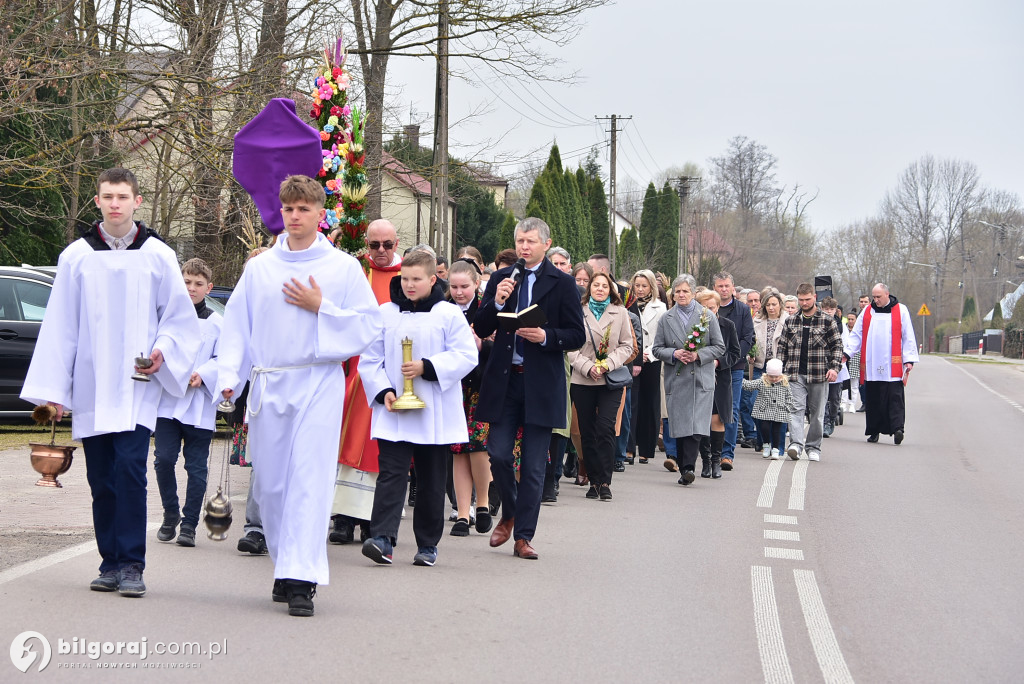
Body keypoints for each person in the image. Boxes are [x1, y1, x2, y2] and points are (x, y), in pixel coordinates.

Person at [20, 167, 200, 598]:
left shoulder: (158, 254)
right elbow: (61, 326)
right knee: (101, 477)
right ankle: (109, 561)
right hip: (92, 385)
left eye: (122, 196)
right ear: (97, 202)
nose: (115, 203)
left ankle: (133, 564)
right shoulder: (76, 256)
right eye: (107, 196)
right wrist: (54, 392)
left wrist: (163, 351)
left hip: (137, 385)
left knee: (130, 470)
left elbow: (177, 319)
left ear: (137, 201)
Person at [218, 175, 382, 617]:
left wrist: (321, 307)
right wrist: (229, 378)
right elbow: (238, 326)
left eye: (304, 209)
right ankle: (284, 563)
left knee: (308, 482)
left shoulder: (343, 268)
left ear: (319, 214)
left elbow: (369, 327)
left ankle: (302, 580)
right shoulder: (260, 268)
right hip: (271, 383)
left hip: (317, 383)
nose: (295, 217)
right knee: (271, 486)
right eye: (288, 209)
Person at [473, 217, 585, 560]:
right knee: (500, 454)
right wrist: (498, 301)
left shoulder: (563, 283)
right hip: (505, 379)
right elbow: (481, 324)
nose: (524, 247)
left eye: (531, 241)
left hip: (541, 382)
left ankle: (523, 536)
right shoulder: (502, 278)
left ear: (546, 244)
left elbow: (576, 334)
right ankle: (510, 511)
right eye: (520, 240)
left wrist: (546, 336)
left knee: (535, 466)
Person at [358, 251, 478, 566]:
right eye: (405, 279)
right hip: (395, 407)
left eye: (416, 279)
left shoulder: (448, 314)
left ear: (432, 280)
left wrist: (428, 366)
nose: (409, 285)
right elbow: (370, 358)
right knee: (391, 474)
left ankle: (427, 544)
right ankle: (382, 538)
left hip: (433, 411)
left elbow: (467, 356)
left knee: (431, 480)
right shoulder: (385, 313)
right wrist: (382, 389)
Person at [329, 218, 403, 545]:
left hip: (391, 376)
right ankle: (342, 519)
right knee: (346, 444)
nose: (382, 251)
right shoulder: (358, 275)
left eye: (387, 245)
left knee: (381, 451)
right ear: (367, 246)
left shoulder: (406, 278)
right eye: (375, 245)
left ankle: (375, 522)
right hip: (355, 372)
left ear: (397, 244)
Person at [153, 258, 222, 548]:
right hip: (168, 402)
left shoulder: (218, 322)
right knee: (164, 460)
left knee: (196, 468)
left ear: (209, 287)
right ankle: (170, 513)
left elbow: (226, 359)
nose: (191, 288)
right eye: (186, 282)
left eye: (197, 283)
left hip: (198, 406)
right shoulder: (169, 317)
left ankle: (190, 523)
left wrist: (204, 375)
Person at [568, 272, 636, 500]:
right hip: (583, 378)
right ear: (589, 288)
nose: (599, 289)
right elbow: (570, 347)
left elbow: (627, 346)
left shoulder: (621, 313)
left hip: (610, 378)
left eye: (604, 286)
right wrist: (588, 367)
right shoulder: (578, 311)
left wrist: (606, 364)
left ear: (611, 289)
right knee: (586, 431)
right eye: (595, 285)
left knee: (606, 428)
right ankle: (593, 480)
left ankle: (605, 481)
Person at [652, 274, 725, 486]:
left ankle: (689, 467)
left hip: (700, 378)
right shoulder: (666, 319)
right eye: (678, 291)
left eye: (685, 291)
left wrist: (698, 355)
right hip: (677, 377)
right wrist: (674, 353)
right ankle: (684, 466)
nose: (681, 295)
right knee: (681, 425)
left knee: (695, 425)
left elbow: (719, 346)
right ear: (672, 294)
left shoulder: (706, 316)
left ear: (693, 293)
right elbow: (657, 349)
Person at [446, 258, 494, 535]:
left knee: (478, 446)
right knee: (457, 450)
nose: (459, 292)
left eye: (464, 286)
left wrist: (482, 344)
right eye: (454, 286)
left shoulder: (486, 310)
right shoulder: (442, 309)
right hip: (453, 386)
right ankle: (462, 513)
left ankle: (483, 503)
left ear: (477, 284)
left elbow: (499, 347)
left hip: (480, 385)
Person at [775, 283, 843, 463]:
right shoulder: (791, 320)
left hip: (819, 373)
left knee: (817, 412)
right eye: (801, 299)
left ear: (814, 297)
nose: (804, 303)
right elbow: (782, 346)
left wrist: (834, 368)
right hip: (795, 373)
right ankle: (796, 444)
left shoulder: (828, 320)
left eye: (807, 299)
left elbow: (837, 346)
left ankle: (813, 446)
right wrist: (779, 369)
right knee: (795, 409)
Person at [844, 283, 918, 444]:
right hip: (872, 363)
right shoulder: (867, 312)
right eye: (874, 297)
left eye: (878, 297)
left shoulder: (900, 310)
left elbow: (908, 335)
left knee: (894, 398)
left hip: (893, 364)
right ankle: (874, 430)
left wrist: (909, 359)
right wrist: (847, 353)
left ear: (887, 294)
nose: (875, 300)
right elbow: (856, 334)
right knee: (873, 398)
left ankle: (898, 429)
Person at [694, 289, 739, 479]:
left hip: (720, 378)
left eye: (711, 307)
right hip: (698, 377)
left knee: (716, 419)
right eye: (703, 307)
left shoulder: (727, 325)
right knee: (702, 418)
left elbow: (735, 353)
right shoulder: (694, 325)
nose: (707, 311)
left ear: (718, 307)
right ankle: (705, 461)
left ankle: (716, 460)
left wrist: (718, 362)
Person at [712, 272, 754, 470]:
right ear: (714, 288)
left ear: (733, 287)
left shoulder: (743, 310)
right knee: (709, 409)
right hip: (708, 366)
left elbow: (748, 338)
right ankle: (710, 450)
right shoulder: (708, 308)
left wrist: (729, 360)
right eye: (720, 286)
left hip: (734, 367)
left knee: (730, 409)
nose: (724, 289)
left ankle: (726, 453)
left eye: (727, 286)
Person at [630, 270, 667, 465]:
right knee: (632, 402)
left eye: (644, 286)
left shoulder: (660, 308)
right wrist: (637, 354)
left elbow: (661, 336)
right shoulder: (628, 305)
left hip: (652, 359)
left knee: (650, 403)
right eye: (637, 285)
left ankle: (646, 448)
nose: (641, 289)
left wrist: (649, 354)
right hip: (633, 357)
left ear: (651, 287)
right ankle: (629, 448)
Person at [751, 288, 789, 450]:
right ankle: (762, 439)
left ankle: (777, 445)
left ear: (780, 305)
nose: (771, 308)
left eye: (774, 304)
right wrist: (750, 354)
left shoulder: (788, 321)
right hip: (761, 366)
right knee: (756, 404)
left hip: (779, 368)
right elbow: (751, 341)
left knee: (778, 409)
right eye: (768, 305)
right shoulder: (757, 321)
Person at [742, 359, 794, 459]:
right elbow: (750, 385)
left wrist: (787, 407)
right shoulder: (762, 382)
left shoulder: (784, 384)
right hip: (764, 410)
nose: (774, 379)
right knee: (764, 428)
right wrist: (740, 380)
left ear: (781, 375)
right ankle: (766, 445)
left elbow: (789, 397)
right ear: (767, 375)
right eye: (771, 376)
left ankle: (775, 449)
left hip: (780, 410)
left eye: (776, 377)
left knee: (776, 430)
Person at [820, 298, 849, 437]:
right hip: (822, 364)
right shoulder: (819, 322)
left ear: (835, 310)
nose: (828, 312)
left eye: (831, 310)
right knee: (823, 396)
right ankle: (824, 422)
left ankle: (832, 418)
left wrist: (840, 359)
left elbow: (845, 344)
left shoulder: (840, 326)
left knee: (834, 397)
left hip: (837, 364)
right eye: (826, 309)